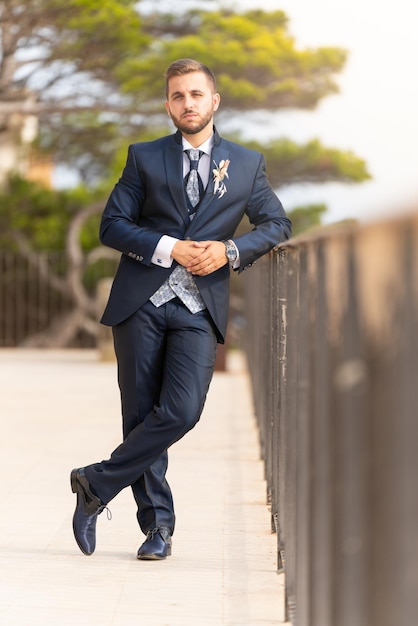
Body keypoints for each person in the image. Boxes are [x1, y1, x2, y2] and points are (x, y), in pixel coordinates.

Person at [70, 58, 292, 559]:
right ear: (168, 104)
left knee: (183, 410)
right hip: (140, 303)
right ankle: (158, 529)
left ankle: (94, 485)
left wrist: (230, 251)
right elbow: (112, 225)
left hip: (198, 305)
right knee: (141, 416)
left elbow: (277, 224)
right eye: (177, 96)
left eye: (196, 94)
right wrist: (169, 246)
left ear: (214, 101)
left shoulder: (247, 162)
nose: (187, 103)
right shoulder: (144, 157)